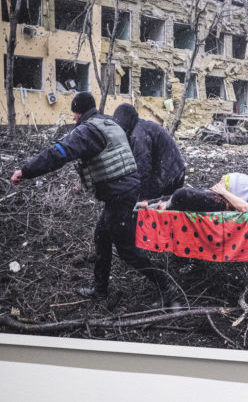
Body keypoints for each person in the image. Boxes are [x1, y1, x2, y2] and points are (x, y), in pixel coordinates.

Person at [10, 92, 179, 308]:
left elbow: (58, 153)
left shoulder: (88, 130)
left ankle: (166, 286)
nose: (73, 118)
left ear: (79, 113)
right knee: (101, 236)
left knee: (126, 249)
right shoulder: (108, 123)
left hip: (119, 195)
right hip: (124, 191)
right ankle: (100, 290)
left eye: (74, 114)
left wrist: (26, 171)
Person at [139, 169, 248, 215]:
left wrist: (224, 192)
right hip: (223, 190)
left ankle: (160, 208)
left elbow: (244, 207)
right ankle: (147, 204)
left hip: (224, 200)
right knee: (178, 195)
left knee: (182, 195)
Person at [112, 103, 186, 200]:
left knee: (152, 204)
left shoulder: (138, 136)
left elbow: (143, 169)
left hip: (170, 174)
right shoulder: (141, 127)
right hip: (174, 169)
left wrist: (142, 199)